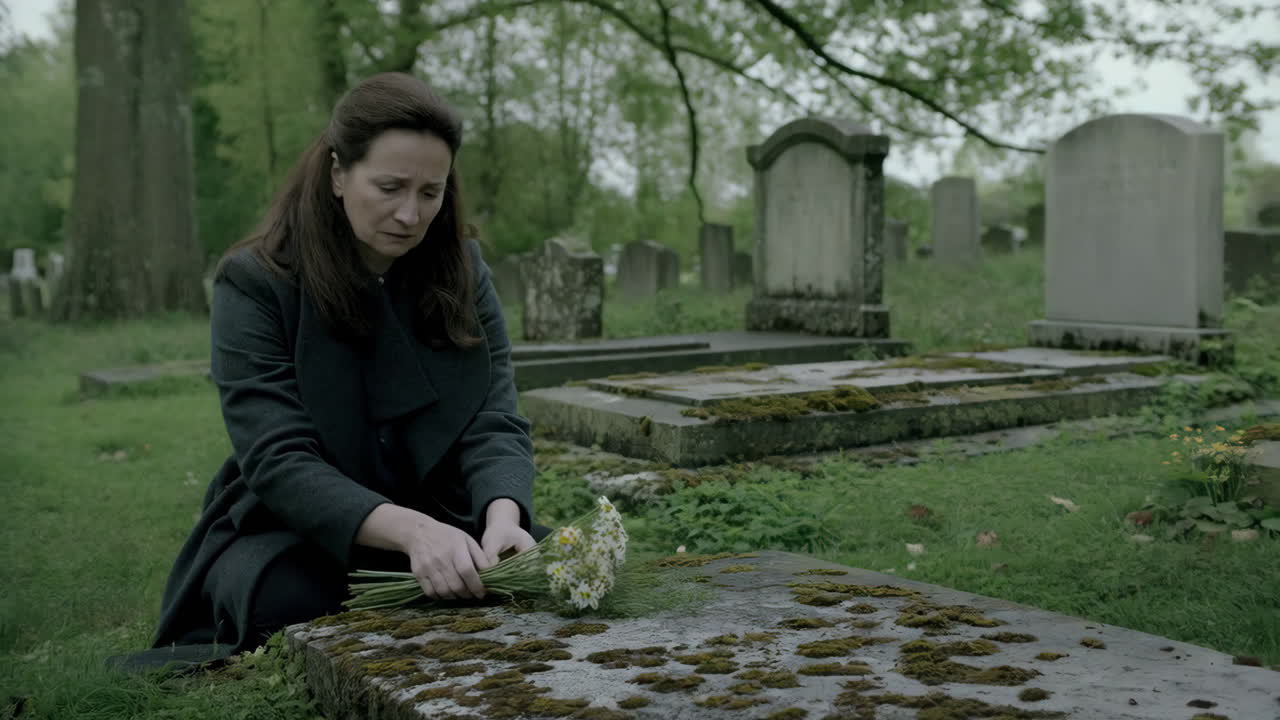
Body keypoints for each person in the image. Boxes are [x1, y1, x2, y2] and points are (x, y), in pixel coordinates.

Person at [120, 73, 544, 671]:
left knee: (542, 566)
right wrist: (414, 534)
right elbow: (278, 459)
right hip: (300, 528)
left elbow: (493, 417)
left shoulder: (464, 271)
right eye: (390, 187)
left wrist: (503, 517)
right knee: (288, 602)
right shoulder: (255, 281)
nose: (410, 214)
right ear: (339, 173)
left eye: (431, 192)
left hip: (444, 512)